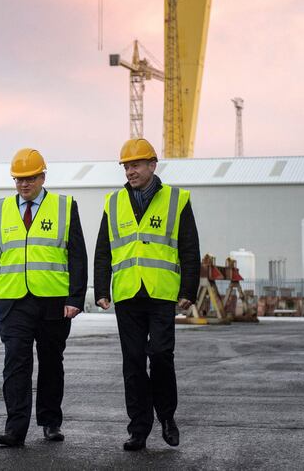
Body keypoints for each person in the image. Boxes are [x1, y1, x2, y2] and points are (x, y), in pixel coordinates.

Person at [93, 138, 200, 452]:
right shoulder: (113, 203)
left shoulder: (176, 200)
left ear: (153, 165)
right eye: (126, 166)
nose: (130, 171)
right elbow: (103, 251)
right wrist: (101, 289)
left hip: (161, 293)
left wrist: (188, 290)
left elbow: (190, 249)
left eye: (136, 164)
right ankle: (138, 429)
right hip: (127, 294)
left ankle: (166, 417)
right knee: (134, 362)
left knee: (161, 355)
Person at [0, 148, 87, 447]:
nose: (24, 185)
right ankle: (15, 428)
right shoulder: (0, 209)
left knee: (51, 362)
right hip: (13, 300)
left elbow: (77, 254)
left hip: (53, 299)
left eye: (30, 178)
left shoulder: (64, 206)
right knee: (15, 362)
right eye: (18, 179)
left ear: (42, 177)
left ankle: (51, 422)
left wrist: (75, 298)